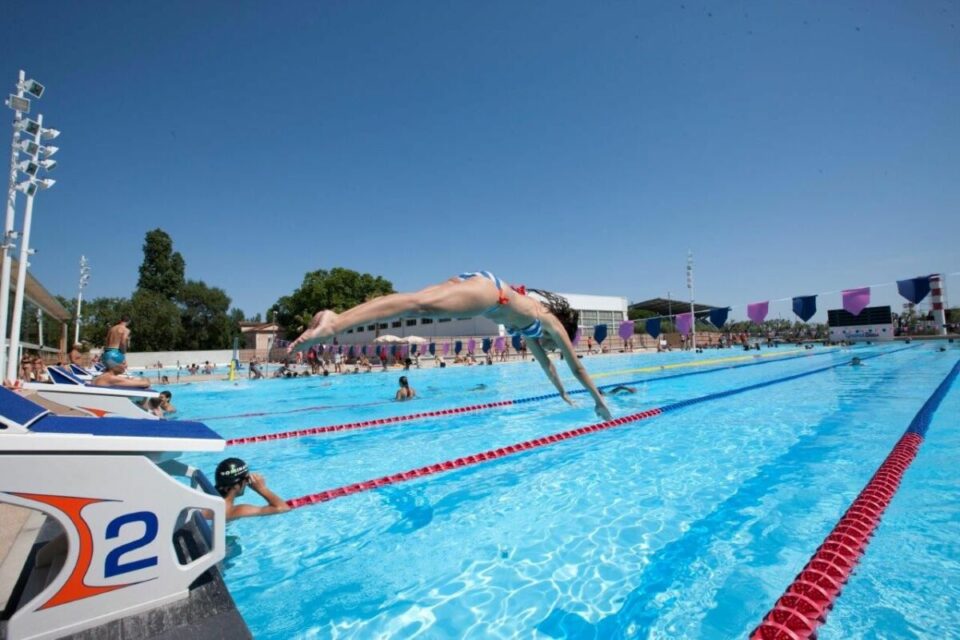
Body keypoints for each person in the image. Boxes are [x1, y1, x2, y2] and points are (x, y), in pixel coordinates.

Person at [289, 272, 612, 419]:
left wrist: (563, 394)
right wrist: (599, 402)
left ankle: (336, 318)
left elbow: (548, 366)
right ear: (564, 332)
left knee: (415, 301)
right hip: (488, 294)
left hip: (477, 282)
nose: (549, 346)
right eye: (556, 344)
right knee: (415, 306)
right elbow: (576, 366)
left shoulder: (532, 328)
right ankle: (334, 323)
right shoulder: (550, 324)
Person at [214, 458, 289, 520]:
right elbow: (283, 508)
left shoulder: (207, 500)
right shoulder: (236, 511)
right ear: (235, 486)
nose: (247, 482)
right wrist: (262, 488)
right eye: (246, 479)